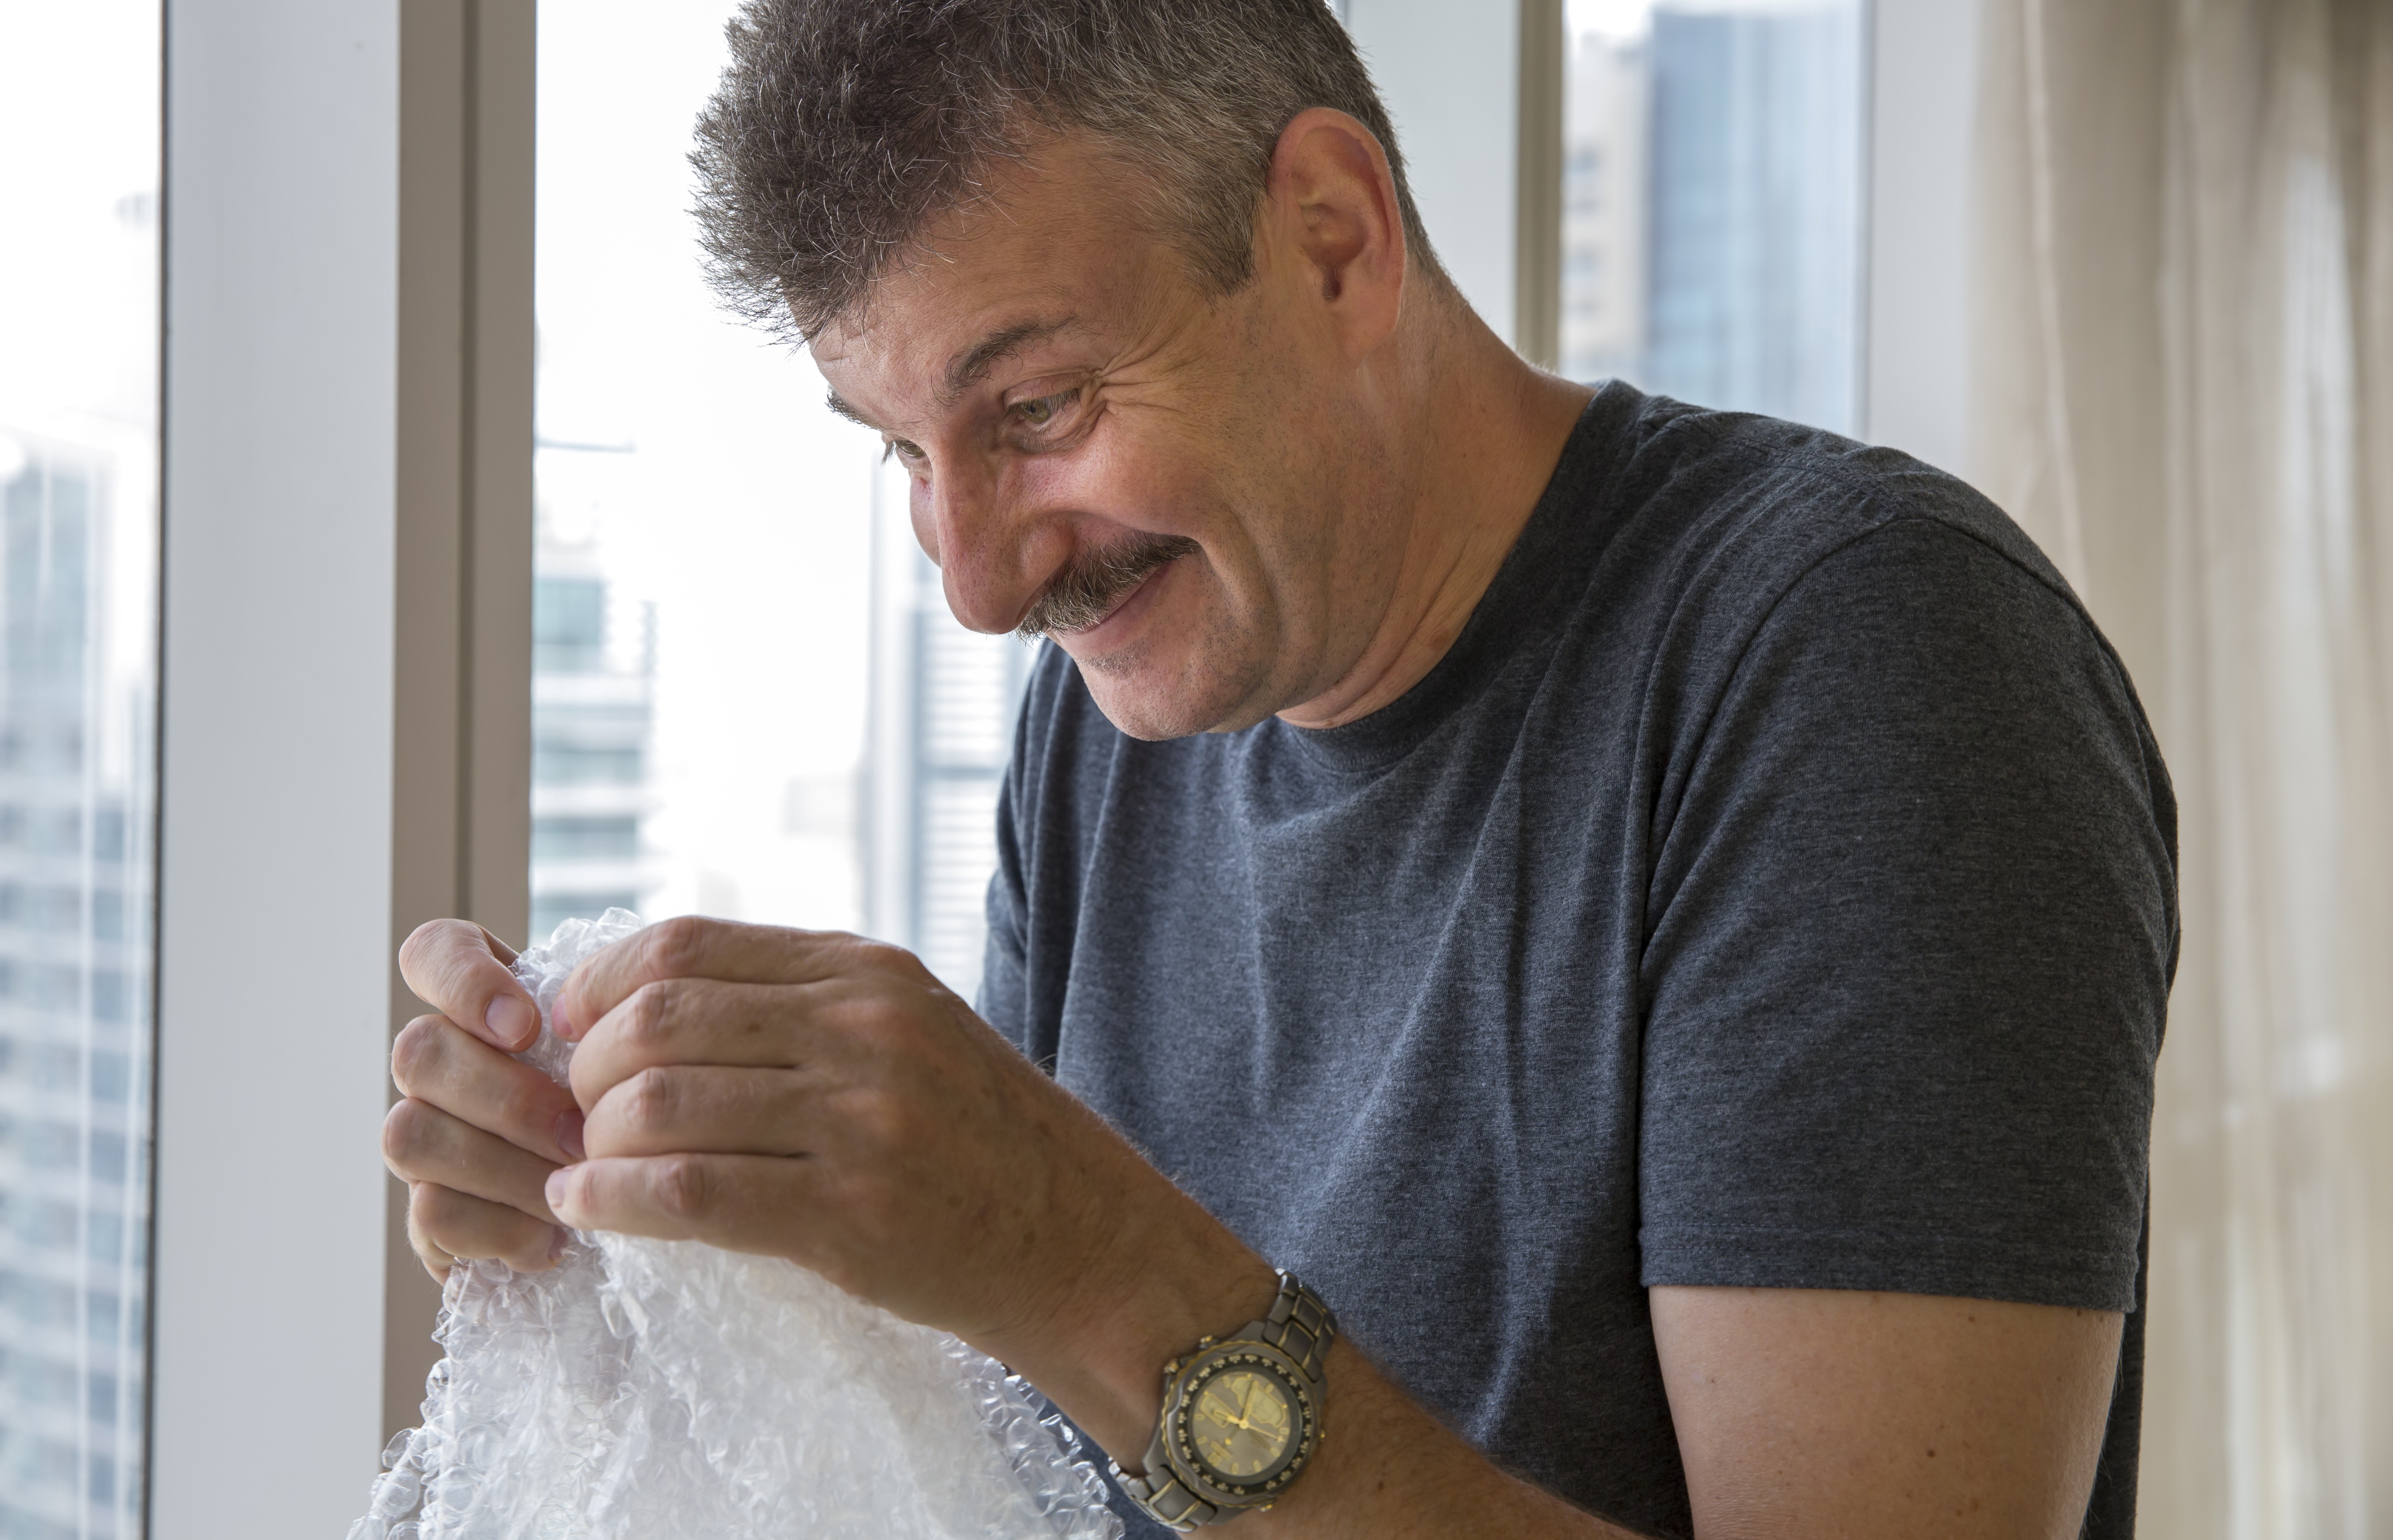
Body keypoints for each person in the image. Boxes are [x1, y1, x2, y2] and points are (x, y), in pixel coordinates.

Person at [381, 3, 2177, 1535]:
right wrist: (665, 1239)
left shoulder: (1860, 660)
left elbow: (1103, 1316)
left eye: (1037, 412)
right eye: (901, 455)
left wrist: (1084, 1254)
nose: (982, 580)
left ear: (1334, 235)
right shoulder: (1109, 718)